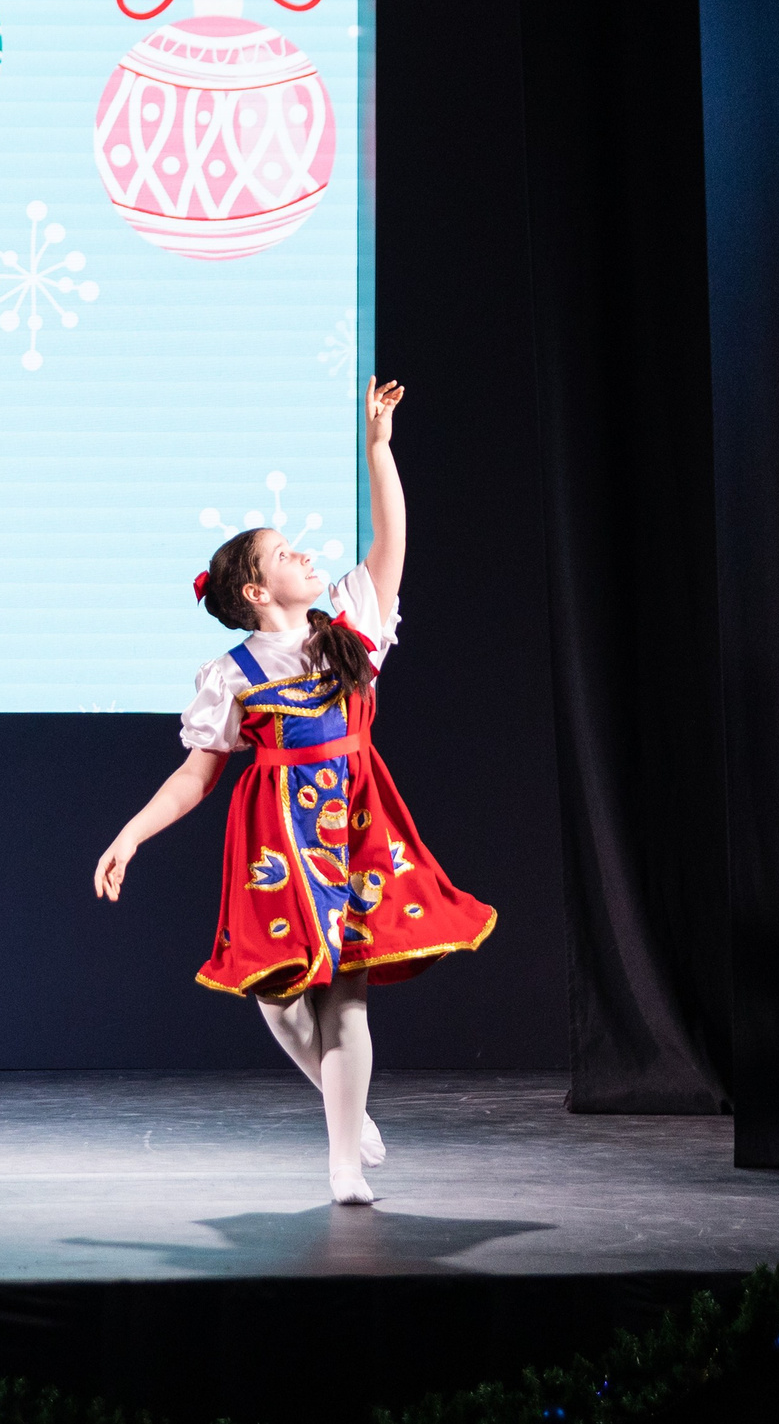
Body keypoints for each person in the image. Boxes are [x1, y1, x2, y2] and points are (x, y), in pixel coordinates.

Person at [93, 381, 493, 1205]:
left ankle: (343, 1159)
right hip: (276, 843)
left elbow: (393, 539)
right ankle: (342, 1104)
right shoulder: (229, 675)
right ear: (254, 591)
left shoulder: (348, 629)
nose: (304, 555)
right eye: (284, 553)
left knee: (345, 990)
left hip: (351, 823)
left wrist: (379, 447)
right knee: (277, 998)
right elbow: (194, 775)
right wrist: (131, 834)